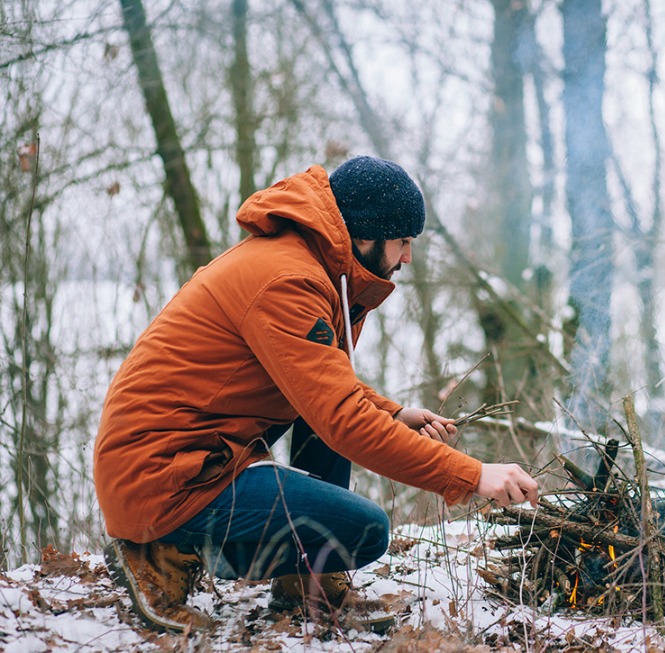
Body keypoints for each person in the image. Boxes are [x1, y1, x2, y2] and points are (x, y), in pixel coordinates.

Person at [94, 156, 539, 633]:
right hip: (163, 476)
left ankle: (306, 584)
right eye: (403, 241)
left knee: (321, 419)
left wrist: (392, 412)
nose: (407, 257)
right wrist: (472, 476)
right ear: (366, 235)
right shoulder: (288, 280)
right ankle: (158, 551)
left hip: (196, 456)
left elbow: (322, 382)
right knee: (365, 529)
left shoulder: (313, 266)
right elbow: (342, 418)